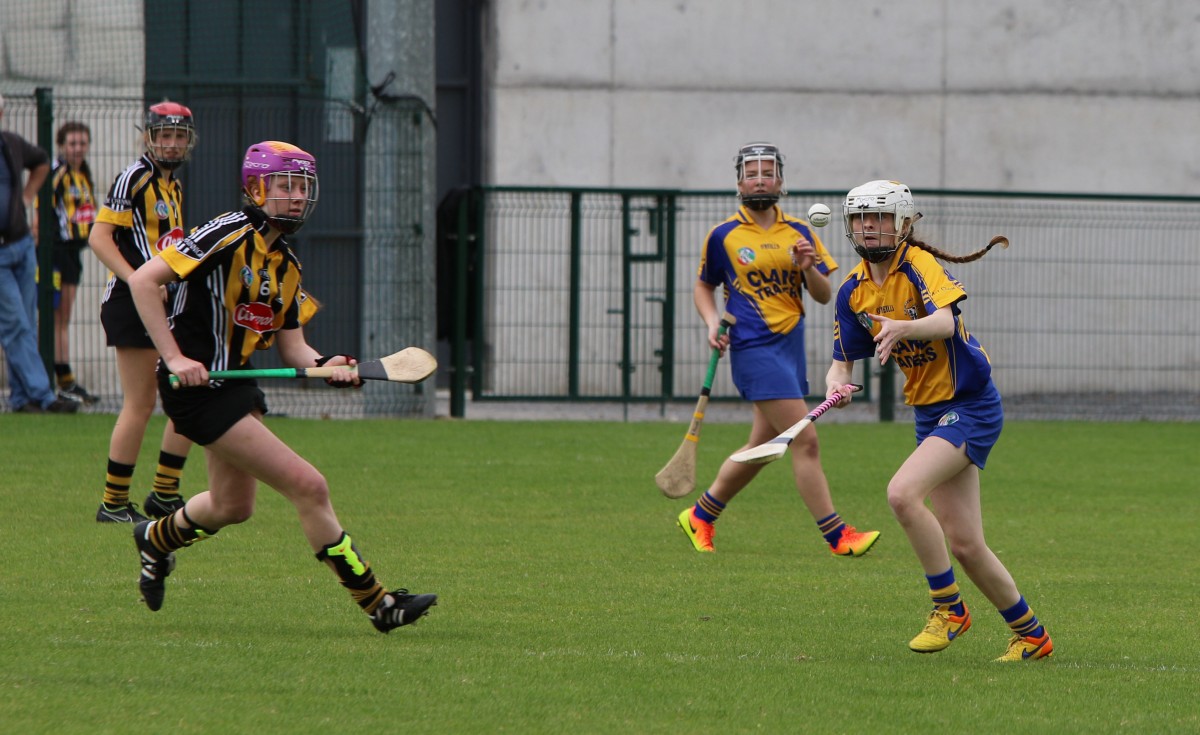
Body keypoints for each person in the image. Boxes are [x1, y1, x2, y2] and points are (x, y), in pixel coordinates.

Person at [125, 140, 437, 632]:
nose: (296, 197)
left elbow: (296, 351)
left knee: (232, 505)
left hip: (236, 388)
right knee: (309, 485)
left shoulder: (286, 264)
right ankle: (379, 604)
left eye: (302, 187)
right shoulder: (225, 233)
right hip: (197, 390)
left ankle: (156, 538)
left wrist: (330, 365)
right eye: (286, 186)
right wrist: (175, 357)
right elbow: (143, 281)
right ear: (256, 188)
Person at [824, 179, 1053, 661]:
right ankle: (1032, 636)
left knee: (902, 494)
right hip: (931, 413)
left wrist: (904, 326)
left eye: (880, 217)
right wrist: (835, 385)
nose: (870, 226)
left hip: (970, 405)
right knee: (967, 545)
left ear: (903, 224)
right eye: (861, 218)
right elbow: (842, 359)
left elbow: (946, 321)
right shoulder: (853, 291)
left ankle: (949, 609)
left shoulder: (917, 265)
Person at [678, 142, 880, 557]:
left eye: (767, 172)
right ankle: (836, 534)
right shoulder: (723, 235)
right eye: (751, 173)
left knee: (763, 447)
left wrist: (808, 268)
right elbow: (703, 285)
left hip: (791, 345)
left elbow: (824, 296)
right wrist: (712, 321)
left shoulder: (800, 234)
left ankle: (701, 514)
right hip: (752, 347)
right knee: (805, 440)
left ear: (780, 181)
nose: (759, 179)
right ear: (739, 182)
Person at [89, 101, 196, 522]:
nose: (171, 145)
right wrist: (139, 281)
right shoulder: (135, 177)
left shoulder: (174, 186)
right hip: (130, 302)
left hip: (162, 303)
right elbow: (100, 239)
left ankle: (165, 493)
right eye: (164, 136)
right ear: (149, 137)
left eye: (179, 137)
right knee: (140, 402)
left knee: (187, 392)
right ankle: (113, 503)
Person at [0, 93, 79, 414]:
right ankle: (44, 396)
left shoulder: (11, 143)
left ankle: (21, 398)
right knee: (16, 323)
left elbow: (42, 161)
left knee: (26, 323)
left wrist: (28, 196)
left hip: (20, 245)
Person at [50, 120, 99, 403]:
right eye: (72, 143)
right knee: (57, 317)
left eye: (82, 143)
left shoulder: (84, 174)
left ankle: (64, 380)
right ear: (61, 146)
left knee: (63, 318)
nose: (78, 149)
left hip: (73, 253)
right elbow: (40, 210)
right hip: (56, 252)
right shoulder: (58, 173)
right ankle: (61, 379)